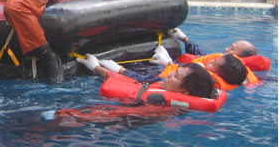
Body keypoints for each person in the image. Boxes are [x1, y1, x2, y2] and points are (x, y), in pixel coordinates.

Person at [77, 53, 216, 98]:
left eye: (175, 76)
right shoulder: (162, 85)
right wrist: (96, 68)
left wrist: (96, 67)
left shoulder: (157, 106)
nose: (170, 74)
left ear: (184, 91)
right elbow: (136, 80)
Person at [172, 28, 269, 72]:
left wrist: (169, 64)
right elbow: (203, 57)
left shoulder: (228, 71)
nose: (226, 49)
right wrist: (185, 39)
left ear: (239, 58)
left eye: (231, 49)